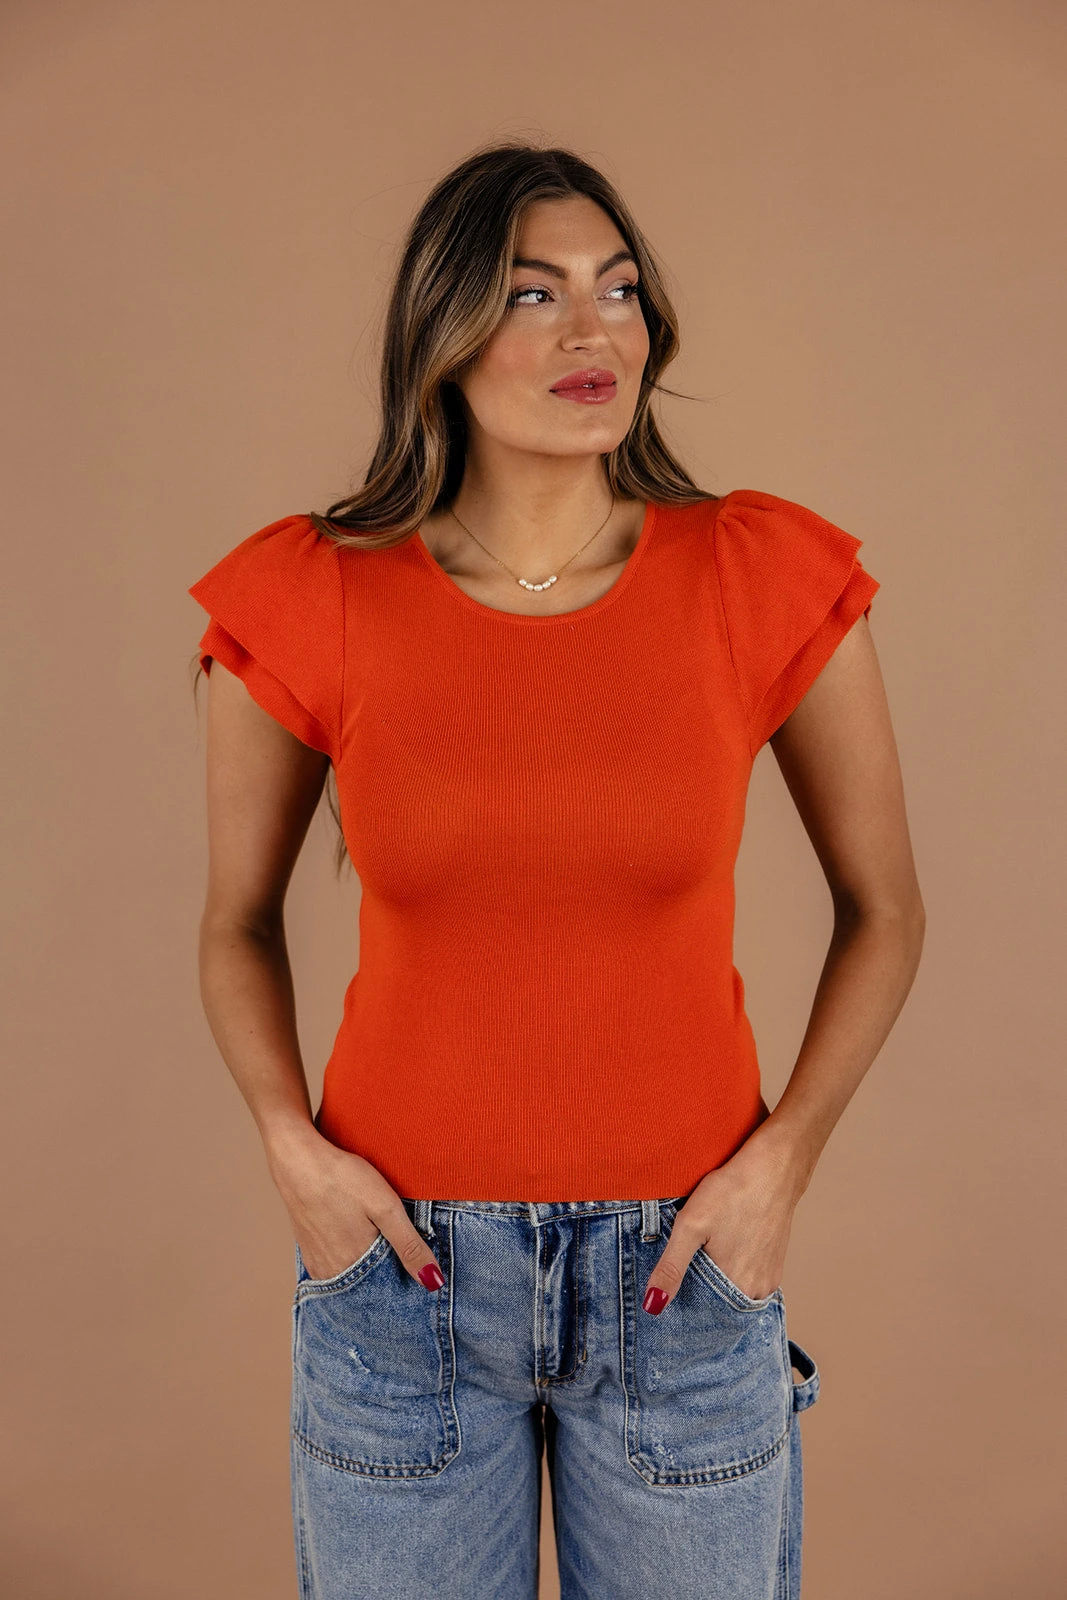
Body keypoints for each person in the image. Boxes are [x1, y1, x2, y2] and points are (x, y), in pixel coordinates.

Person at [187, 142, 925, 1600]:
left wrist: (781, 1165)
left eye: (619, 288)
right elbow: (234, 923)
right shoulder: (318, 590)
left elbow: (886, 911)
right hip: (398, 1277)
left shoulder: (753, 572)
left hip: (681, 1272)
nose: (595, 330)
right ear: (443, 335)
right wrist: (291, 1151)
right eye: (534, 293)